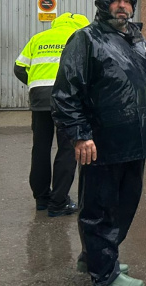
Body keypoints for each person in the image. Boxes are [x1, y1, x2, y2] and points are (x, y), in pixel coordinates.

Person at [52, 0, 146, 286]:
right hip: (102, 142)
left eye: (127, 1)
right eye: (116, 0)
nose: (123, 6)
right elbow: (66, 92)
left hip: (137, 140)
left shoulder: (138, 41)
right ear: (104, 5)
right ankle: (104, 273)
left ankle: (99, 256)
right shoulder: (86, 39)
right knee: (100, 208)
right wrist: (80, 134)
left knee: (126, 204)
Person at [14, 12, 89, 217]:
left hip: (40, 97)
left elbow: (19, 68)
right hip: (67, 98)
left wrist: (35, 84)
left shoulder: (39, 38)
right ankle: (59, 202)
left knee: (40, 147)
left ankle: (41, 199)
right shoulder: (81, 38)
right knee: (67, 149)